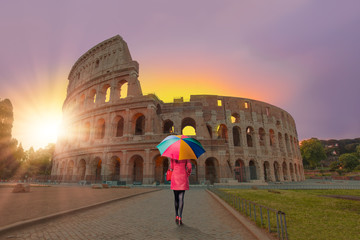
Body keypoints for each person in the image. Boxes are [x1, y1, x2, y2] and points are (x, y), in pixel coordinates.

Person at [169, 158, 192, 225]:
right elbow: (189, 167)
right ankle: (180, 217)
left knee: (176, 198)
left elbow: (171, 167)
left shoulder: (173, 155)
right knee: (181, 198)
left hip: (175, 176)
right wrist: (187, 173)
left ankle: (176, 215)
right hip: (183, 176)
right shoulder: (186, 155)